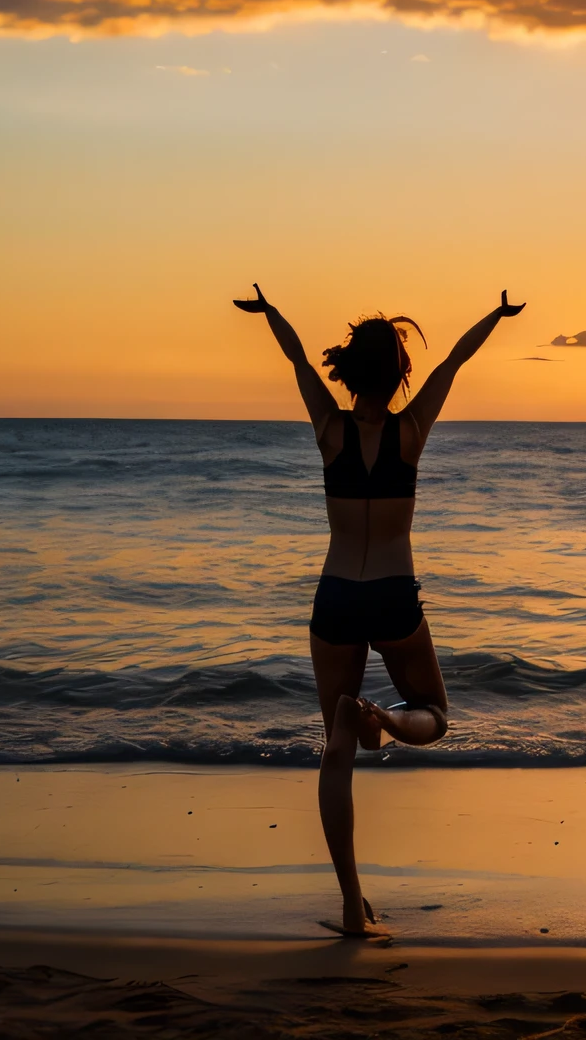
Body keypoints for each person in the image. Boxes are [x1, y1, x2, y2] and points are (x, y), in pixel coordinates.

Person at [235, 284, 525, 938]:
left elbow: (298, 363)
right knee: (437, 717)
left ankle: (349, 904)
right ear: (399, 376)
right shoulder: (411, 431)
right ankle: (389, 718)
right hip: (394, 594)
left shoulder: (331, 431)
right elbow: (454, 361)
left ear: (353, 371)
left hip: (336, 595)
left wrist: (273, 313)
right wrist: (496, 316)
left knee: (336, 749)